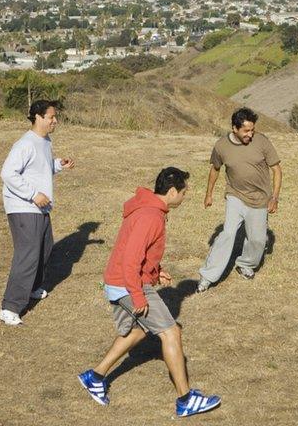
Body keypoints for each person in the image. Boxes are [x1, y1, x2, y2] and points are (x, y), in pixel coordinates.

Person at [78, 167, 221, 418]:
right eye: (184, 192)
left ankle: (94, 377)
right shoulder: (150, 216)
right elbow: (132, 259)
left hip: (123, 280)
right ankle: (185, 399)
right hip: (127, 283)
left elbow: (139, 253)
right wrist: (138, 294)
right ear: (173, 191)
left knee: (138, 331)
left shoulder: (149, 210)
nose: (185, 197)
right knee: (171, 332)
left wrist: (156, 271)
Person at [0, 100, 74, 326]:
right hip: (24, 207)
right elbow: (8, 173)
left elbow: (41, 167)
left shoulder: (45, 141)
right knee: (28, 254)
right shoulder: (25, 144)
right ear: (38, 117)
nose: (55, 121)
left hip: (39, 207)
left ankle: (31, 288)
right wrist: (33, 194)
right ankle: (10, 307)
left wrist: (58, 164)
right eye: (51, 117)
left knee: (45, 248)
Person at [196, 107, 282, 292]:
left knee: (258, 240)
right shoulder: (221, 146)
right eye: (246, 130)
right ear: (234, 128)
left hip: (260, 198)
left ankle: (246, 264)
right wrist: (208, 194)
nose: (250, 134)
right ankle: (207, 276)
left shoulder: (262, 142)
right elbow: (215, 169)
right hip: (235, 195)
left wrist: (274, 197)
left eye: (252, 130)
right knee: (227, 234)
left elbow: (276, 169)